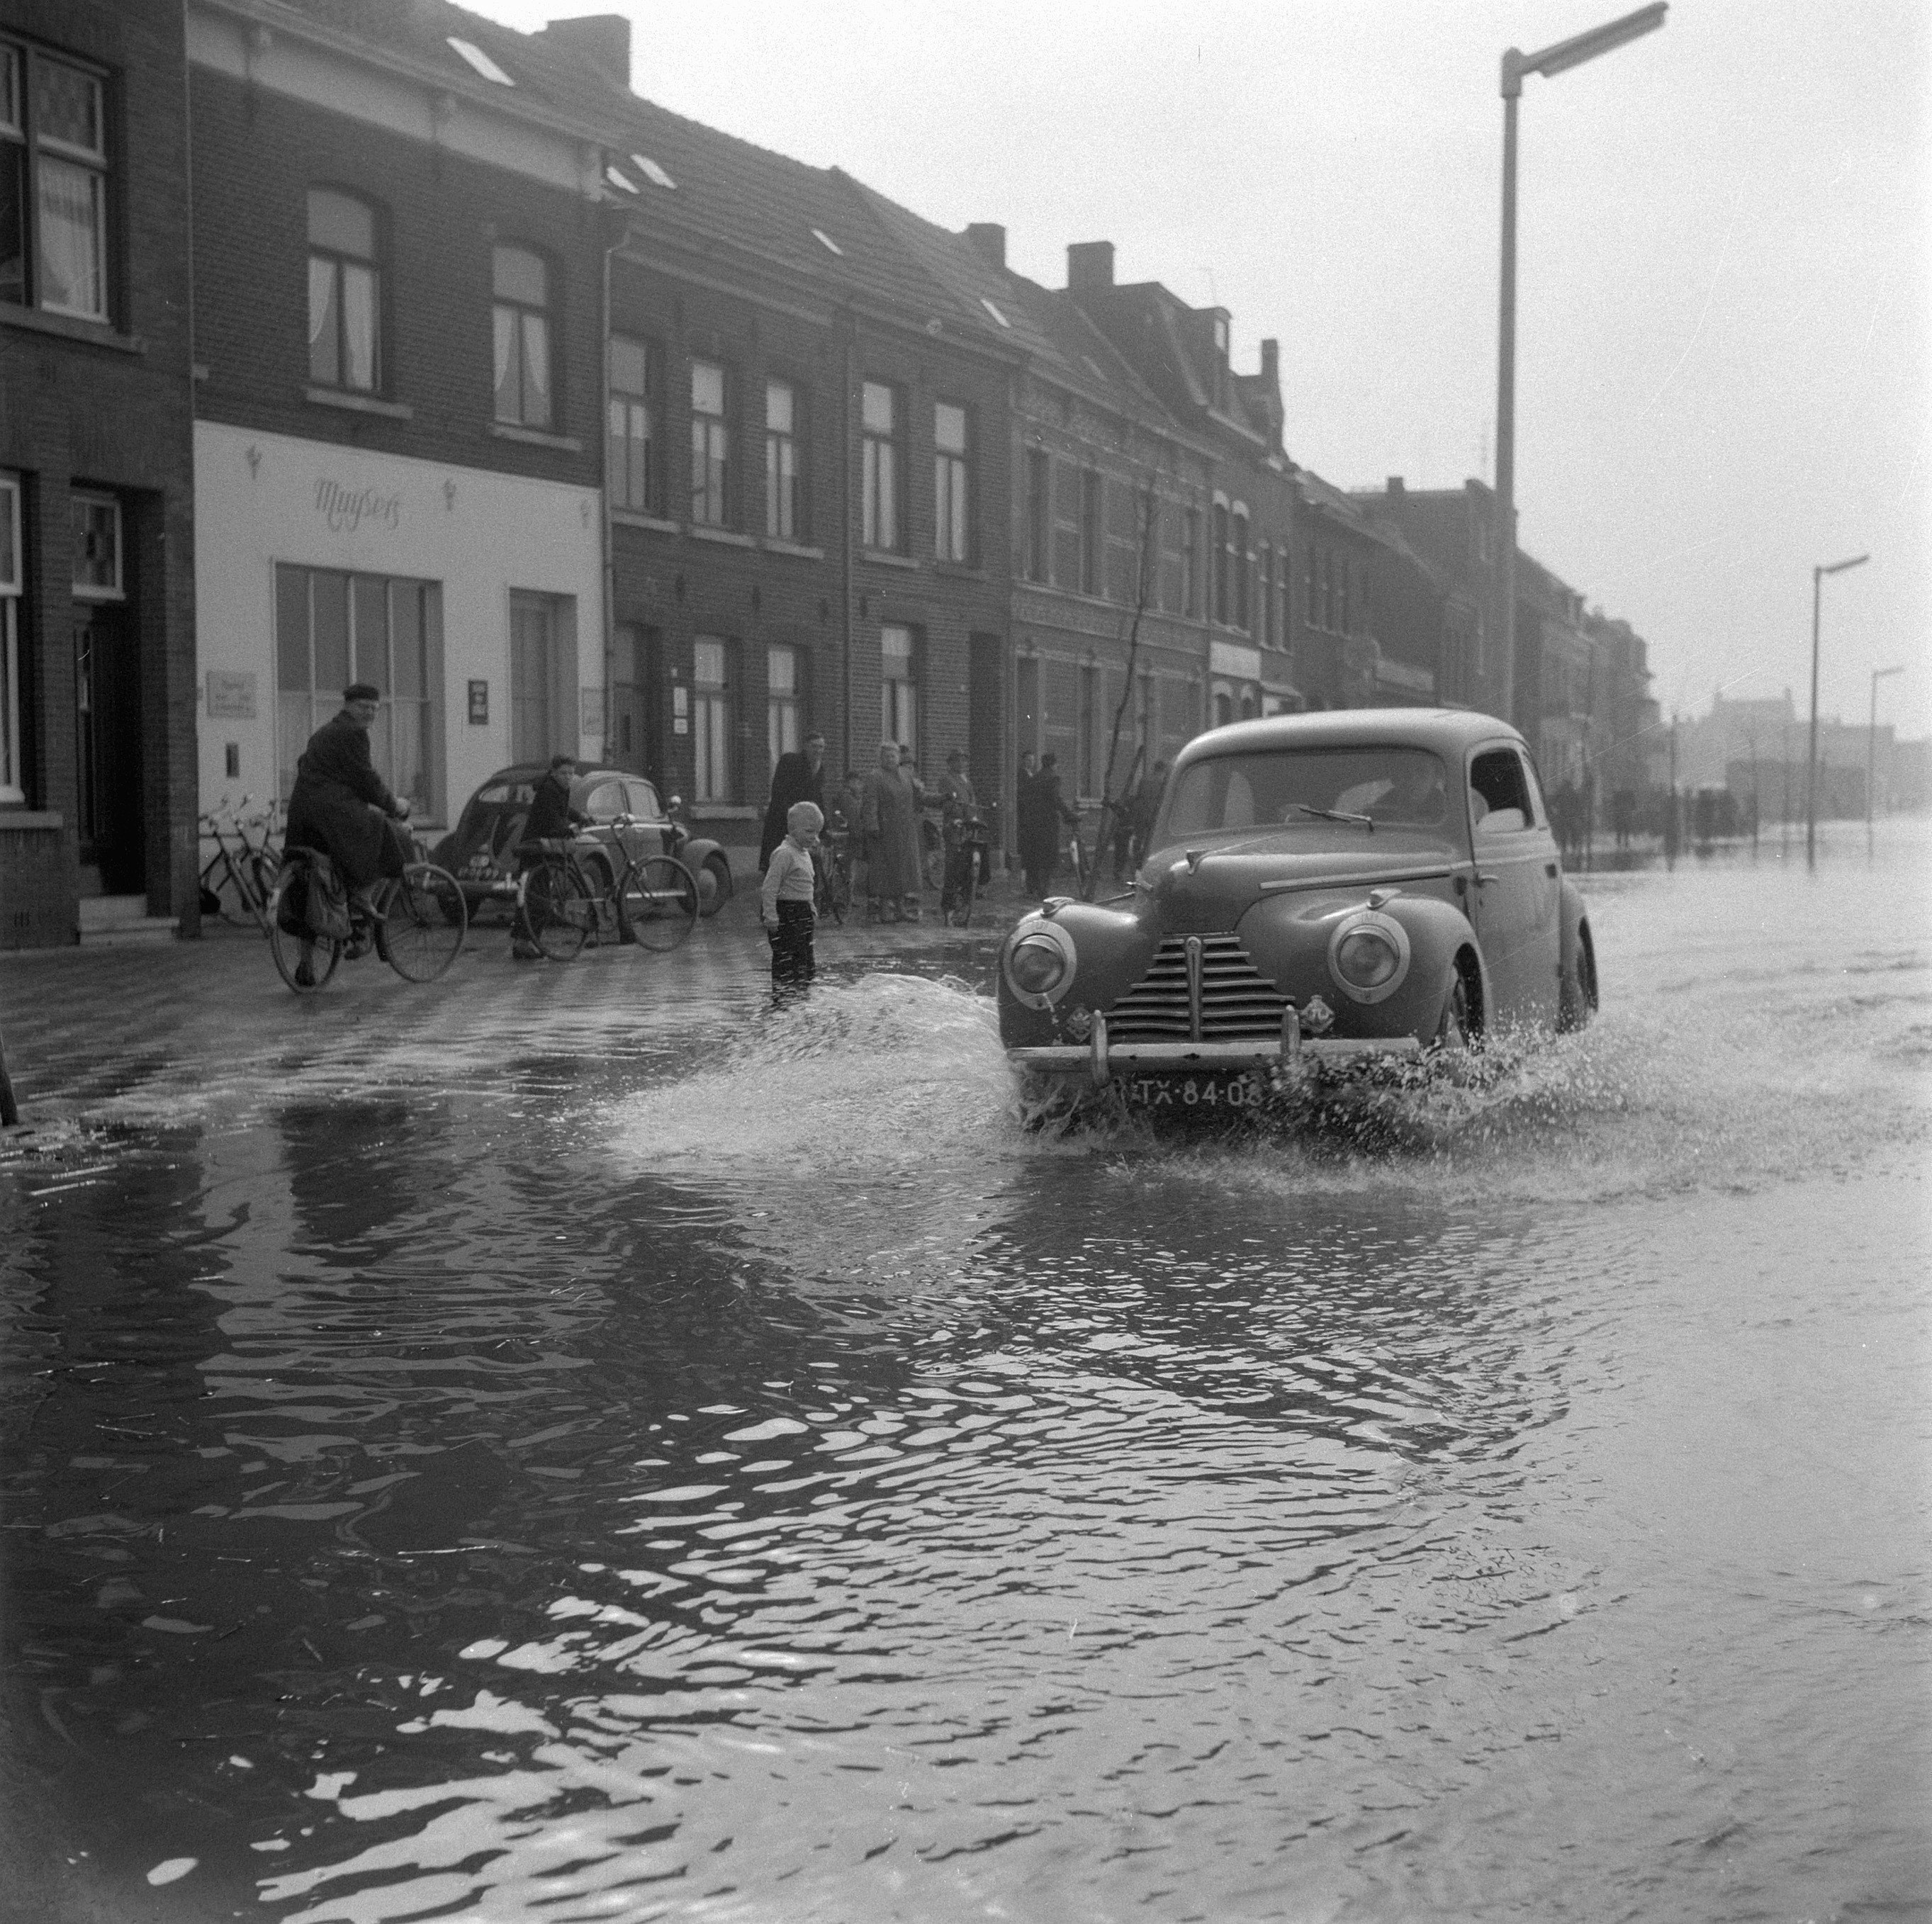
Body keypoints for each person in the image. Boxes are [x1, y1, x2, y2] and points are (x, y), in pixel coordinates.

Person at [283, 682, 413, 972]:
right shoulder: (354, 734)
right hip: (331, 813)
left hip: (303, 814)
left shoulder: (322, 734)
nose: (370, 714)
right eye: (365, 707)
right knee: (383, 831)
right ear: (348, 706)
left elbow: (312, 767)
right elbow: (366, 779)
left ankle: (306, 962)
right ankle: (363, 898)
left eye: (375, 709)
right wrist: (395, 805)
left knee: (311, 883)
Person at [512, 755, 584, 958]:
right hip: (537, 849)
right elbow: (551, 821)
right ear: (554, 772)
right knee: (539, 898)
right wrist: (570, 830)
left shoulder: (558, 788)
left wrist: (578, 817)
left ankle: (524, 942)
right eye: (564, 773)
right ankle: (526, 943)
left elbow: (562, 810)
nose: (568, 777)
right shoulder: (550, 790)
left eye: (571, 773)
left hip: (543, 848)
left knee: (533, 896)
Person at [760, 799, 821, 996]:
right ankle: (783, 1000)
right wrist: (770, 915)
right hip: (786, 914)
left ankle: (801, 997)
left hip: (802, 915)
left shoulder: (803, 854)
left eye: (817, 833)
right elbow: (770, 887)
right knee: (786, 960)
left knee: (805, 959)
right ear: (793, 829)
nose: (814, 837)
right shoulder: (784, 854)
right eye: (809, 831)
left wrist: (811, 907)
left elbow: (807, 886)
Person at [860, 741, 921, 921]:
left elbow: (919, 797)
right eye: (886, 756)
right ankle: (885, 911)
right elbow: (870, 803)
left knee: (903, 870)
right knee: (886, 870)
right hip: (885, 830)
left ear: (899, 758)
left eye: (893, 756)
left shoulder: (906, 775)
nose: (890, 759)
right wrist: (872, 826)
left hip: (905, 830)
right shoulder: (875, 776)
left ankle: (901, 909)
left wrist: (941, 800)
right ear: (880, 758)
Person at [760, 731, 826, 871]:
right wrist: (790, 816)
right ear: (805, 746)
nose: (818, 751)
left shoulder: (820, 769)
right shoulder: (790, 762)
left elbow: (817, 798)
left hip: (804, 824)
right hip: (783, 822)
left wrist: (824, 824)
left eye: (821, 747)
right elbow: (780, 792)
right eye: (814, 746)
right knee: (780, 863)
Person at [1021, 750, 1079, 898]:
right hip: (1047, 824)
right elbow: (1056, 799)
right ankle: (1043, 890)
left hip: (1031, 823)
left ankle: (1031, 888)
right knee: (1047, 858)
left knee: (1033, 856)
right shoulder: (1053, 778)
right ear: (1054, 764)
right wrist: (1068, 814)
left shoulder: (1035, 778)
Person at [936, 749, 982, 921]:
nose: (962, 764)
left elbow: (972, 802)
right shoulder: (946, 780)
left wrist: (974, 816)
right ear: (951, 763)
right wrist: (960, 815)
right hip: (955, 827)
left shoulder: (966, 781)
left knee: (967, 864)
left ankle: (963, 900)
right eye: (958, 761)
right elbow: (948, 803)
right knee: (953, 866)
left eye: (964, 760)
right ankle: (948, 903)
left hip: (968, 826)